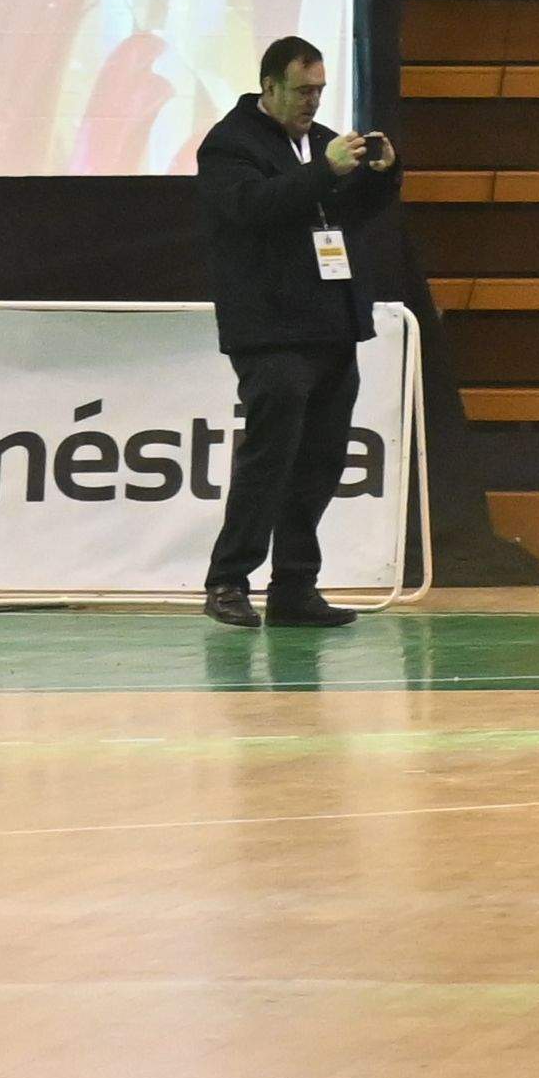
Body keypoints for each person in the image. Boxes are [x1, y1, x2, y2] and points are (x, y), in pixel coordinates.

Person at [192, 33, 394, 632]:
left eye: (320, 90)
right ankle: (228, 581)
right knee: (270, 458)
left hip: (331, 325)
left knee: (321, 462)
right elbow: (253, 208)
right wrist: (324, 172)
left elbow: (352, 214)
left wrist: (382, 175)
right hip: (271, 330)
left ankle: (295, 587)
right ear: (269, 86)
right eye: (303, 90)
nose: (313, 101)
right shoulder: (229, 144)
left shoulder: (325, 142)